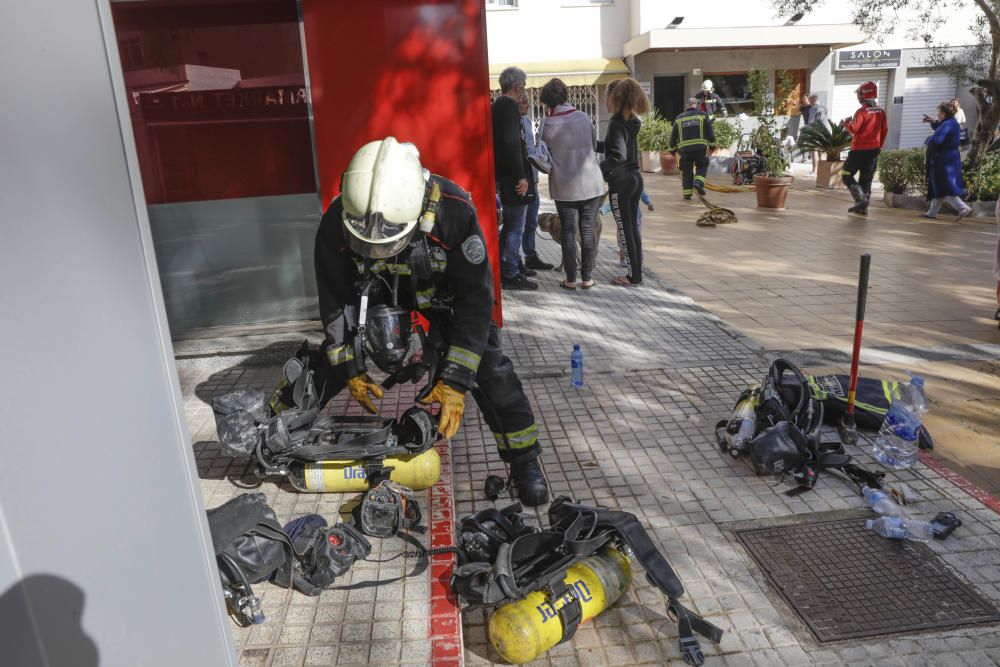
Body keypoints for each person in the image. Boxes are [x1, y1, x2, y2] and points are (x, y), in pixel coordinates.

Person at [309, 136, 549, 505]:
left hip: (445, 296)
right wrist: (351, 367)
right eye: (367, 243)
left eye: (385, 241)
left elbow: (475, 300)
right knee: (334, 355)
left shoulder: (454, 213)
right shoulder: (338, 223)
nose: (375, 248)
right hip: (380, 291)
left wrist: (456, 380)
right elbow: (336, 301)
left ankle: (525, 461)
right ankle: (289, 419)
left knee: (489, 368)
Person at [538, 78, 605, 290]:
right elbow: (594, 145)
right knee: (587, 228)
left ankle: (570, 279)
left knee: (567, 230)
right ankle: (587, 278)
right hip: (591, 183)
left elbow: (540, 154)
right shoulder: (584, 117)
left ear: (547, 101)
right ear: (566, 96)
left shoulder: (546, 124)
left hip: (564, 185)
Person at [492, 66, 538, 291]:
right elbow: (512, 143)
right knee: (515, 226)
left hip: (504, 175)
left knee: (510, 225)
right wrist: (521, 175)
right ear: (518, 87)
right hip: (512, 176)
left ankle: (506, 266)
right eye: (524, 87)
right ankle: (510, 272)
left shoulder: (499, 106)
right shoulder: (508, 107)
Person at [601, 78, 650, 287]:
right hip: (635, 179)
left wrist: (601, 169)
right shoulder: (633, 121)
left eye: (606, 97)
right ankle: (636, 274)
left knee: (625, 229)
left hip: (621, 182)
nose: (605, 102)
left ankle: (632, 276)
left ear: (614, 97)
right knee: (632, 229)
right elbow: (616, 147)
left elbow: (618, 154)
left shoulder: (615, 122)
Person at [518, 91, 553, 274]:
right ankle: (515, 260)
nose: (528, 105)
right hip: (520, 182)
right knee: (518, 224)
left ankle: (531, 256)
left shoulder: (528, 122)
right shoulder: (512, 123)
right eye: (524, 102)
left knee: (531, 222)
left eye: (528, 102)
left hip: (533, 180)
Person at [842, 81, 888, 216]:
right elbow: (885, 130)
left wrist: (846, 123)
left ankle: (860, 199)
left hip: (859, 150)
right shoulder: (881, 111)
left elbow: (855, 129)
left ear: (863, 95)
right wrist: (880, 146)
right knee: (866, 178)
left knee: (846, 174)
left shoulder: (861, 111)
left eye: (859, 94)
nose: (858, 97)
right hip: (874, 150)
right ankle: (863, 209)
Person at [922, 100, 973, 221]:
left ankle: (962, 208)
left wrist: (928, 141)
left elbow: (938, 140)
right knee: (939, 185)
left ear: (944, 114)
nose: (938, 114)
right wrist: (934, 122)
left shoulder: (947, 124)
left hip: (943, 159)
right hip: (950, 157)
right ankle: (932, 212)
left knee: (944, 187)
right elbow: (942, 128)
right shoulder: (952, 122)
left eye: (939, 112)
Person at [669, 98, 714, 200]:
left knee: (687, 171)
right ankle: (698, 183)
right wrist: (712, 146)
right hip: (700, 149)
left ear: (687, 105)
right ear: (697, 105)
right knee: (702, 165)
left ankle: (687, 193)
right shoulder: (703, 115)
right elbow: (710, 133)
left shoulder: (679, 118)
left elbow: (673, 137)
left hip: (684, 151)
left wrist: (672, 150)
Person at [806, 94, 828, 175]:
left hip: (815, 132)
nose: (810, 103)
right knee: (822, 152)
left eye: (810, 101)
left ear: (812, 100)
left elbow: (811, 122)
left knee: (814, 151)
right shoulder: (824, 107)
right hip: (824, 132)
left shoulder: (813, 108)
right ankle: (823, 172)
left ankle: (814, 171)